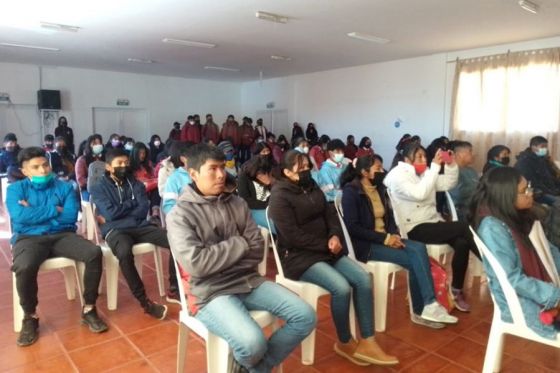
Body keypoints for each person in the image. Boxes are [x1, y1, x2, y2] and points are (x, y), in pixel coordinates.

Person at [166, 143, 316, 372]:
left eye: (222, 167)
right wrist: (240, 243)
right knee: (252, 343)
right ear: (193, 173)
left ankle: (249, 369)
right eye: (212, 169)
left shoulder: (237, 203)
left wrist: (225, 255)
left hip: (248, 281)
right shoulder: (180, 215)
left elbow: (257, 250)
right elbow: (197, 265)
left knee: (305, 316)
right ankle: (252, 363)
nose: (220, 175)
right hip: (209, 292)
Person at [269, 150, 398, 366]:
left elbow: (330, 216)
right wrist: (326, 245)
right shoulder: (280, 196)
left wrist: (334, 236)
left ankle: (368, 341)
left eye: (307, 166)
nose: (305, 171)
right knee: (342, 287)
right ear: (286, 172)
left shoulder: (312, 187)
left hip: (328, 249)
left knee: (363, 279)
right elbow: (292, 236)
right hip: (300, 257)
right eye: (299, 168)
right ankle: (345, 341)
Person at [341, 155, 457, 328]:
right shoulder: (351, 192)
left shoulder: (379, 188)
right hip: (366, 245)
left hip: (386, 239)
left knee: (418, 248)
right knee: (414, 260)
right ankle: (423, 309)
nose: (382, 172)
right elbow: (353, 228)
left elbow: (389, 220)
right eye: (378, 169)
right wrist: (386, 238)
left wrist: (393, 235)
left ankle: (428, 306)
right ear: (365, 172)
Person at [7, 147, 108, 346]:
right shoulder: (15, 189)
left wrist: (34, 212)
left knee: (93, 252)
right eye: (35, 167)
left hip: (62, 235)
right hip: (29, 238)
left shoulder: (64, 187)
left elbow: (70, 216)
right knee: (24, 266)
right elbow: (19, 216)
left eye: (45, 165)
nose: (43, 170)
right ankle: (30, 316)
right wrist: (55, 210)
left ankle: (89, 308)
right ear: (25, 171)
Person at [384, 142, 480, 312]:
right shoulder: (397, 176)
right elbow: (420, 194)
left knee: (462, 242)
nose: (424, 159)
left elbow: (446, 184)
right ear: (406, 159)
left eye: (424, 156)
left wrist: (450, 165)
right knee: (463, 227)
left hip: (432, 223)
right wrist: (435, 167)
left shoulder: (423, 172)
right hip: (413, 228)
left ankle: (456, 290)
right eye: (419, 156)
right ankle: (493, 265)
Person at [470, 167, 560, 339]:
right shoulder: (493, 228)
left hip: (541, 290)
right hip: (524, 303)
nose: (530, 193)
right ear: (506, 195)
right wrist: (555, 295)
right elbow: (513, 279)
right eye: (524, 191)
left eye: (529, 187)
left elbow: (549, 252)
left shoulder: (519, 215)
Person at [90, 148, 180, 314]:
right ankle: (144, 301)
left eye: (126, 162)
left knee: (176, 240)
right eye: (119, 163)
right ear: (109, 167)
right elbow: (110, 214)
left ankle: (175, 288)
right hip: (115, 231)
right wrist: (131, 205)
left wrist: (121, 211)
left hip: (140, 226)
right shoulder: (98, 188)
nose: (124, 166)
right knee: (124, 252)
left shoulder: (136, 184)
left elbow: (142, 208)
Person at [515, 136, 560, 206]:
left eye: (546, 147)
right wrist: (553, 192)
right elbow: (531, 184)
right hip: (539, 194)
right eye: (543, 147)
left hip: (551, 190)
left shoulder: (543, 160)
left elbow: (551, 177)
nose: (545, 149)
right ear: (533, 147)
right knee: (558, 202)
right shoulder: (524, 162)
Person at [238, 154, 276, 233]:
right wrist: (267, 204)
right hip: (254, 209)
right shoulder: (244, 176)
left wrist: (271, 182)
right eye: (260, 175)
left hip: (273, 206)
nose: (264, 176)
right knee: (276, 224)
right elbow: (245, 200)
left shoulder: (271, 174)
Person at [130, 142, 161, 223]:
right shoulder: (130, 166)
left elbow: (153, 176)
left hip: (150, 186)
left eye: (144, 153)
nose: (142, 155)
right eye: (140, 153)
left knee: (157, 188)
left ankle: (155, 213)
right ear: (135, 153)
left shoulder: (148, 164)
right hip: (138, 189)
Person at [448, 141, 479, 221]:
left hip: (475, 205)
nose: (473, 155)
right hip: (462, 210)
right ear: (459, 155)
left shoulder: (471, 170)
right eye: (470, 152)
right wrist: (481, 188)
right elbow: (458, 193)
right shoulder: (451, 171)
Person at [161, 142, 193, 215]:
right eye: (193, 156)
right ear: (183, 159)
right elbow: (168, 207)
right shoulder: (174, 178)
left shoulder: (202, 174)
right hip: (183, 219)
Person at [75, 134, 104, 200]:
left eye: (99, 143)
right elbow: (80, 179)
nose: (98, 146)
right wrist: (95, 182)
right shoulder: (82, 160)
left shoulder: (104, 158)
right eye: (94, 144)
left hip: (104, 188)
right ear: (89, 146)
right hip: (87, 189)